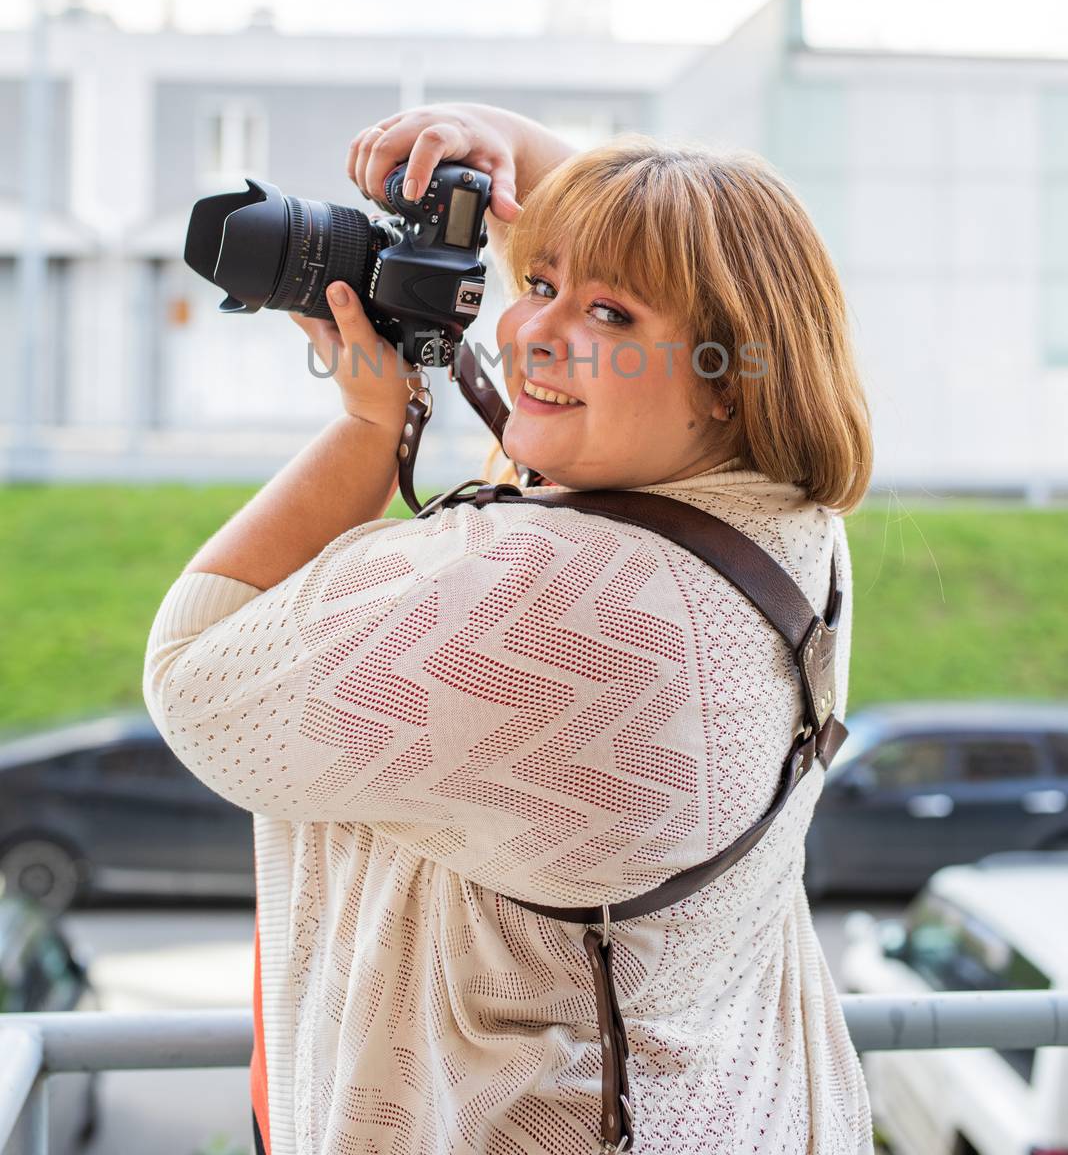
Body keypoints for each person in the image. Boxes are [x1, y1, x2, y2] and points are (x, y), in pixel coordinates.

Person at [143, 103, 876, 1155]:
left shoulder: (547, 597)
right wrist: (515, 148)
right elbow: (705, 267)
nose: (531, 328)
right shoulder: (791, 520)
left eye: (610, 317)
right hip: (741, 1110)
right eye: (539, 283)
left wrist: (366, 429)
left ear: (725, 377)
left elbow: (195, 676)